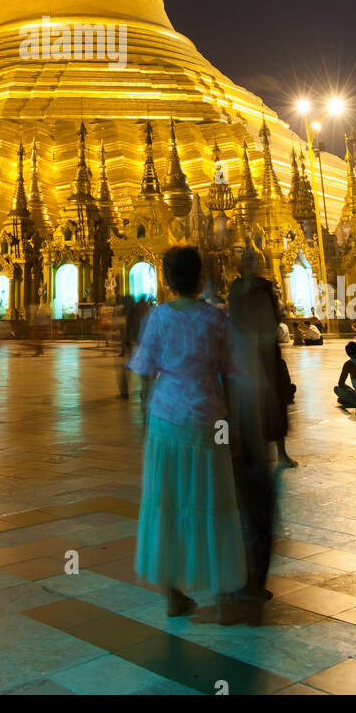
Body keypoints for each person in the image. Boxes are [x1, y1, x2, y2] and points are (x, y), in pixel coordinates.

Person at [127, 246, 246, 618]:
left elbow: (145, 371)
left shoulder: (159, 316)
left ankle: (173, 594)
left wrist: (146, 418)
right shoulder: (216, 319)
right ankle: (225, 596)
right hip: (208, 416)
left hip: (166, 418)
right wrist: (233, 427)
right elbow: (230, 373)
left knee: (168, 501)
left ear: (166, 279)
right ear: (200, 277)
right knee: (214, 500)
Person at [226, 247, 297, 606]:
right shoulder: (239, 349)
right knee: (249, 500)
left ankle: (250, 578)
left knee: (255, 500)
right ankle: (245, 578)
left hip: (251, 419)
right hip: (244, 424)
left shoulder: (258, 354)